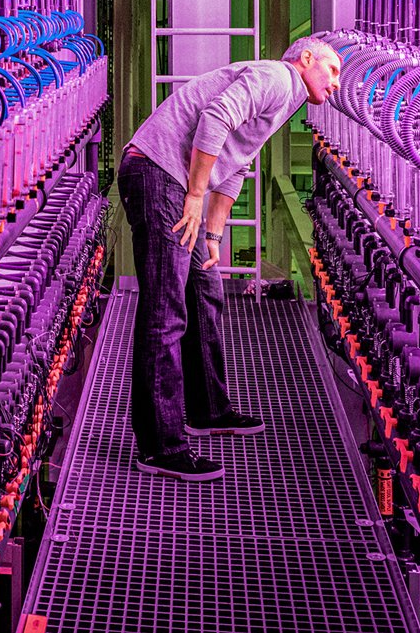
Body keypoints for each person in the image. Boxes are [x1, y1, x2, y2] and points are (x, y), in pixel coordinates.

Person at [117, 35, 344, 480]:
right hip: (160, 174)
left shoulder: (284, 100)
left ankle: (207, 409)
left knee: (204, 289)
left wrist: (214, 233)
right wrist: (196, 194)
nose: (336, 84)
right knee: (165, 310)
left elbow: (236, 163)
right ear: (306, 58)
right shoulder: (277, 78)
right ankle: (160, 446)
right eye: (333, 70)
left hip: (176, 183)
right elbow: (215, 118)